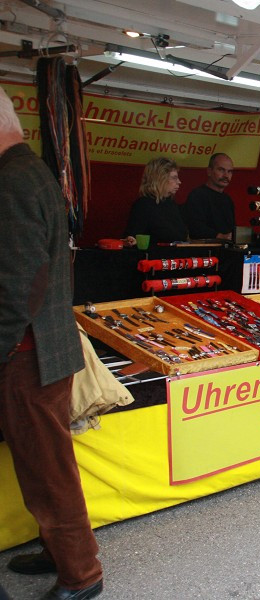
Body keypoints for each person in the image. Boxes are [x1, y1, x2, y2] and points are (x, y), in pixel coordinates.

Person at [0, 87, 104, 599]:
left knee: (48, 470)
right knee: (46, 465)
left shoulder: (11, 180)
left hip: (27, 353)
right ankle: (63, 553)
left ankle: (80, 576)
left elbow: (16, 285)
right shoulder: (30, 171)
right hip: (41, 347)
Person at [124, 157, 189, 245]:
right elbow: (131, 239)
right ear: (160, 178)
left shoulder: (171, 203)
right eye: (174, 178)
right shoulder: (143, 205)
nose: (179, 182)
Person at [183, 152, 236, 240]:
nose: (226, 175)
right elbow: (195, 228)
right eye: (221, 170)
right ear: (209, 171)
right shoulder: (197, 196)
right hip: (205, 251)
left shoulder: (228, 199)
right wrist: (220, 236)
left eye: (229, 171)